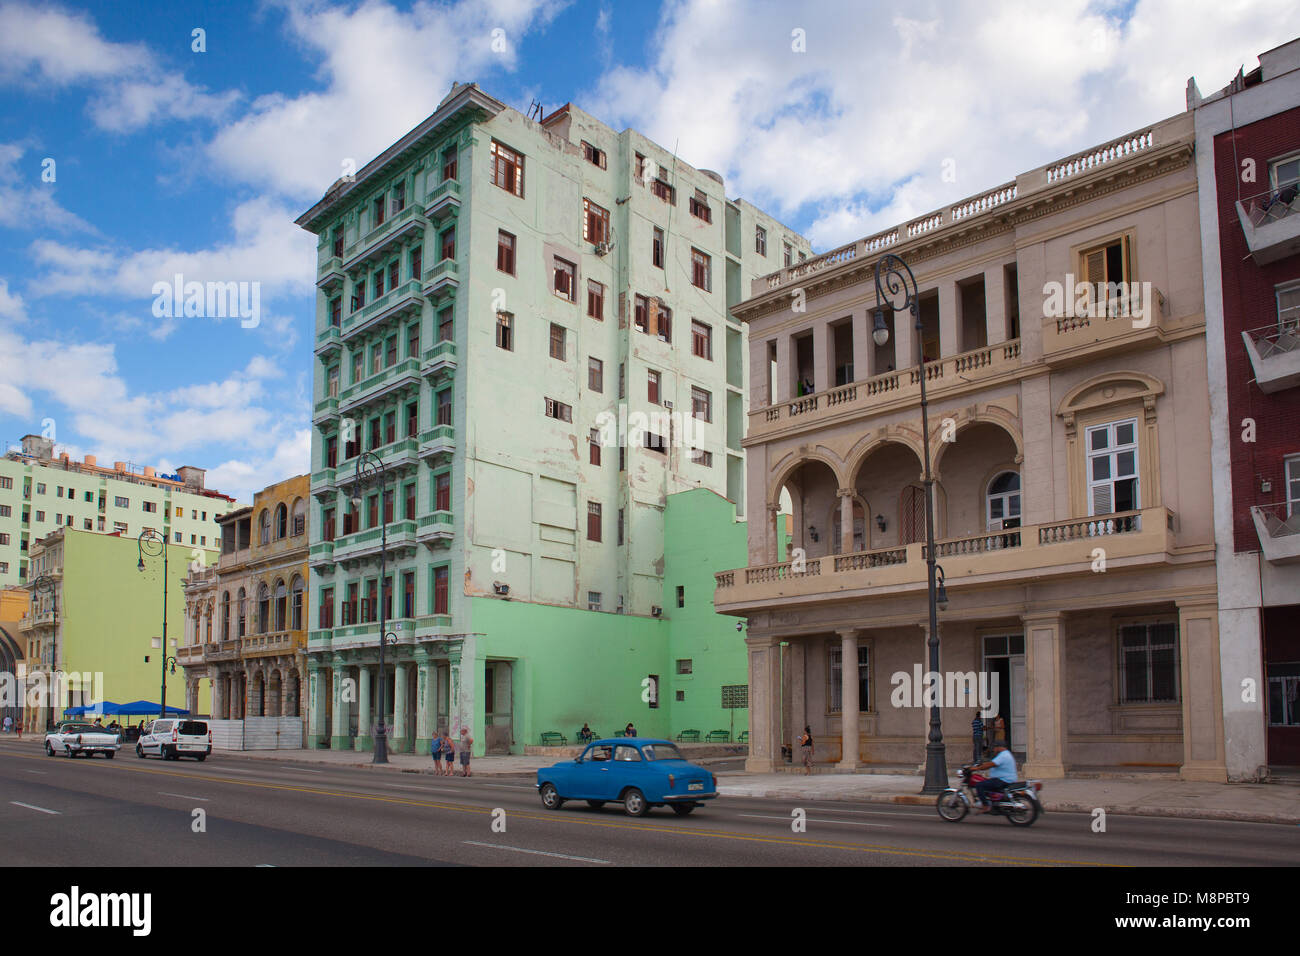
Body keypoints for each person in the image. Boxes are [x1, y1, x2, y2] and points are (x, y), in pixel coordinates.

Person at [971, 745, 1018, 812]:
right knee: (987, 783)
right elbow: (991, 763)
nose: (994, 750)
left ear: (999, 747)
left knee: (979, 785)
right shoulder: (1007, 753)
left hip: (1002, 780)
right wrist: (982, 765)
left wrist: (977, 768)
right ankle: (992, 802)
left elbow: (991, 764)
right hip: (1007, 779)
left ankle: (985, 805)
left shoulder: (1003, 755)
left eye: (994, 748)